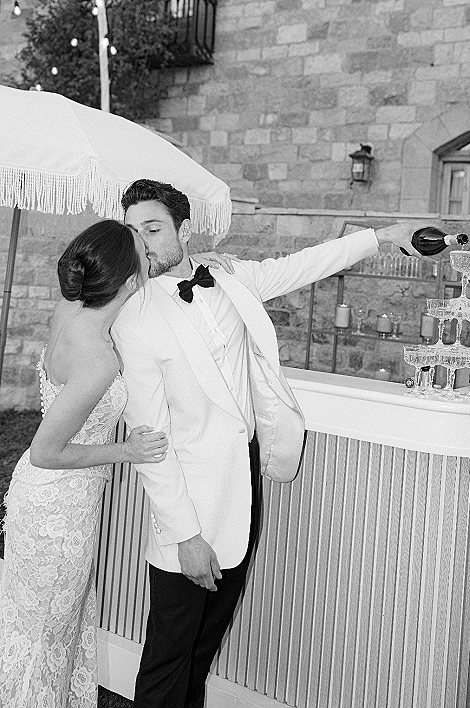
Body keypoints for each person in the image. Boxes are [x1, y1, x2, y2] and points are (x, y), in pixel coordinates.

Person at [111, 178, 424, 708]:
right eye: (132, 231)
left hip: (244, 487)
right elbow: (152, 444)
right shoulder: (134, 317)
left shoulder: (232, 280)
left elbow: (305, 264)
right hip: (185, 505)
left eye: (154, 228)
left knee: (204, 647)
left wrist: (384, 235)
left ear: (184, 231)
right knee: (168, 654)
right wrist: (186, 535)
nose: (142, 243)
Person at [0, 219, 169, 708]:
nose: (151, 253)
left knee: (40, 629)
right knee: (44, 638)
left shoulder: (69, 309)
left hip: (45, 498)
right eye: (143, 247)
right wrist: (127, 451)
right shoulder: (98, 359)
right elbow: (45, 451)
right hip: (59, 506)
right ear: (127, 277)